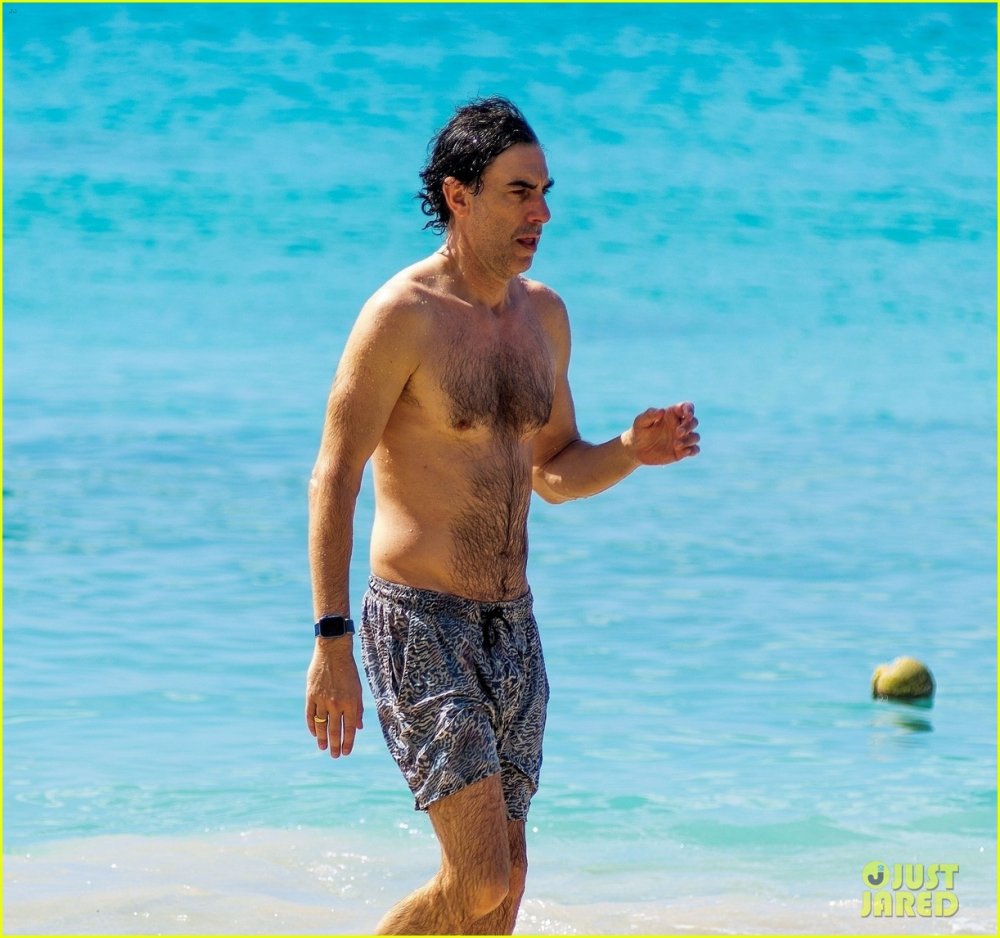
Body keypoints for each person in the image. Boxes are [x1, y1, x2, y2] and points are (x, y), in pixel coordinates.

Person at [305, 96, 700, 935]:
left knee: (506, 886)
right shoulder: (402, 316)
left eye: (545, 193)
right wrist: (331, 640)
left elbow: (554, 472)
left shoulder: (543, 318)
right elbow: (334, 476)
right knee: (479, 877)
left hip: (512, 626)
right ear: (460, 195)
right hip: (419, 621)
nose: (541, 214)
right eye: (520, 192)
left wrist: (630, 450)